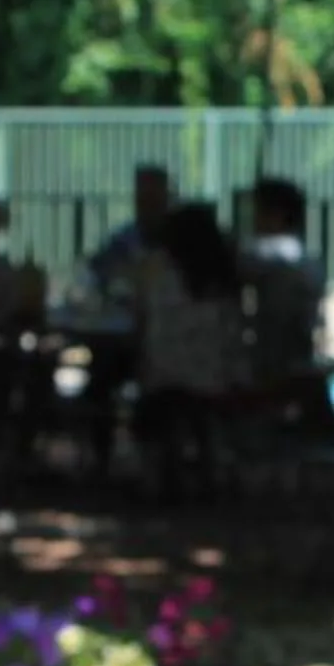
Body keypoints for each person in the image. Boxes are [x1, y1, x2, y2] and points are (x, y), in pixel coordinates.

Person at [133, 203, 248, 498]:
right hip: (217, 381)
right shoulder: (225, 281)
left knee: (154, 401)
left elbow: (144, 326)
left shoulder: (159, 275)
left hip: (166, 381)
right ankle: (207, 473)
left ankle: (157, 478)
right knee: (195, 409)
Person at [241, 175, 329, 421]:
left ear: (276, 215)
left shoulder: (274, 254)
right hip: (298, 361)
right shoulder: (308, 260)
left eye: (257, 213)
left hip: (280, 367)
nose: (252, 222)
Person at [88, 163, 177, 304]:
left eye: (154, 200)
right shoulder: (123, 240)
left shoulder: (185, 241)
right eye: (143, 200)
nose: (148, 208)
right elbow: (94, 273)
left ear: (168, 199)